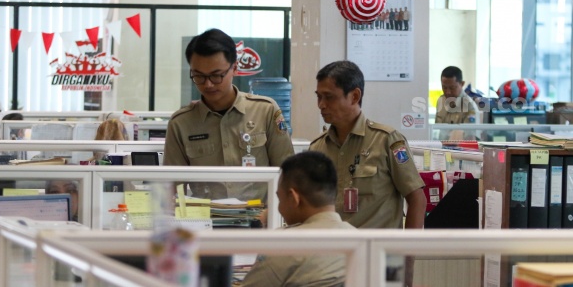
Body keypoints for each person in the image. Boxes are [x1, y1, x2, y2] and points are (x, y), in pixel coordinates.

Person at [163, 28, 294, 201]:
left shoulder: (265, 111)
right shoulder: (181, 123)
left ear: (235, 68)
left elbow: (288, 172)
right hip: (205, 222)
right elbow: (171, 185)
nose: (208, 84)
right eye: (199, 76)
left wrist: (275, 213)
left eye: (216, 75)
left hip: (260, 220)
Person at [309, 61, 426, 229]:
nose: (321, 105)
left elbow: (417, 199)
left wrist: (406, 252)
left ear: (355, 96)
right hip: (333, 252)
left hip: (379, 252)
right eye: (319, 97)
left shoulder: (387, 140)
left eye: (329, 97)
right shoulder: (317, 148)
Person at [241, 151, 355, 287]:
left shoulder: (283, 247)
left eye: (279, 198)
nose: (279, 208)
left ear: (293, 198)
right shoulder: (362, 242)